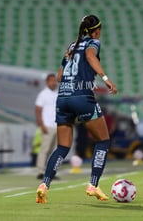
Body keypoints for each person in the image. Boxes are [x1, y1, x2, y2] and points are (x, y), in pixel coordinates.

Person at [36, 15, 118, 204]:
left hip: (63, 98)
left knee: (63, 147)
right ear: (97, 31)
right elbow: (90, 56)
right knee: (103, 141)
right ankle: (93, 184)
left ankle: (44, 185)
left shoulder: (72, 46)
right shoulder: (94, 43)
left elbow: (59, 76)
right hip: (82, 96)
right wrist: (105, 79)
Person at [35, 73, 58, 179]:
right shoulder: (43, 94)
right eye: (51, 81)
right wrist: (41, 125)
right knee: (44, 149)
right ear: (47, 82)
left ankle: (51, 171)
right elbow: (38, 110)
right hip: (47, 125)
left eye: (55, 81)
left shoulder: (57, 93)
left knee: (54, 150)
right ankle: (40, 171)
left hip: (57, 125)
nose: (54, 83)